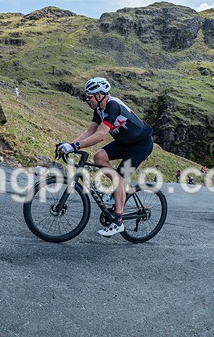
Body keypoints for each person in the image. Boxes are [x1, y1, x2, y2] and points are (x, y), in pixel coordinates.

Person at [58, 77, 154, 237]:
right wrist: (70, 144)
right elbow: (90, 132)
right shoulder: (99, 110)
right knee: (99, 157)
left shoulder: (113, 106)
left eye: (89, 96)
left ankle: (118, 222)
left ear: (100, 95)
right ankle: (117, 190)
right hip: (124, 142)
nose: (87, 99)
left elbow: (101, 135)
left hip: (141, 145)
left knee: (119, 179)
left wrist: (74, 147)